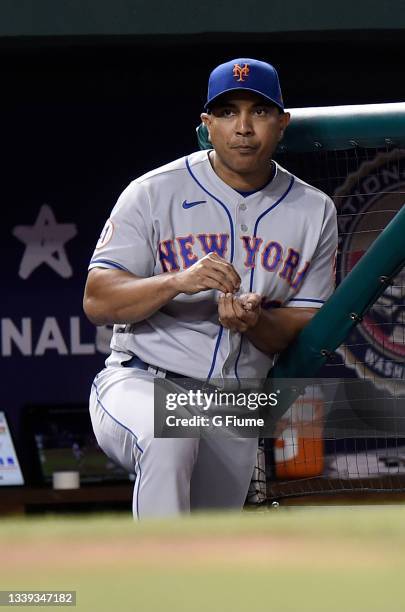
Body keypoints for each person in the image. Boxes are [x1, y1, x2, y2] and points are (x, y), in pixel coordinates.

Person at [83, 58, 338, 519]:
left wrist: (257, 321)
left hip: (234, 401)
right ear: (207, 124)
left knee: (208, 544)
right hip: (143, 378)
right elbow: (98, 298)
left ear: (282, 124)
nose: (242, 127)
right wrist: (176, 281)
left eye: (259, 112)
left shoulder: (314, 210)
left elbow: (304, 322)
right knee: (169, 436)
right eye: (227, 112)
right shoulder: (153, 191)